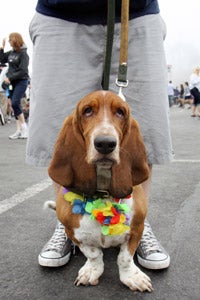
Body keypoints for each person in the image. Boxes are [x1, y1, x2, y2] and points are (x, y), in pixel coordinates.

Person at [26, 0, 173, 270]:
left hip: (136, 13)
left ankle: (136, 220)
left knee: (144, 117)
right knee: (58, 116)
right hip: (61, 13)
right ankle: (68, 220)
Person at [0, 33, 29, 139]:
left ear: (15, 40)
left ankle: (25, 127)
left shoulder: (23, 54)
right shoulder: (11, 53)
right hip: (12, 83)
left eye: (10, 40)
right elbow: (2, 59)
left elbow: (23, 71)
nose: (9, 42)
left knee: (16, 102)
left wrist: (9, 78)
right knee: (14, 105)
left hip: (21, 81)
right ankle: (18, 130)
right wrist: (2, 47)